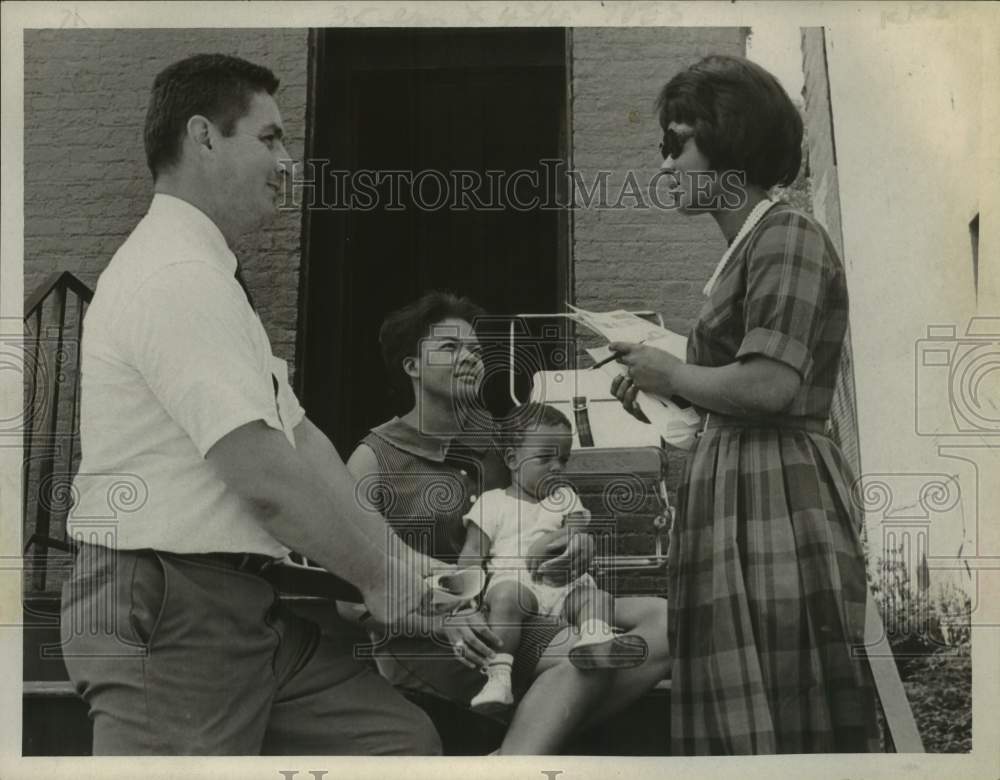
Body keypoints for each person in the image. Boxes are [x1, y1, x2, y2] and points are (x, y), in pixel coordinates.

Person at [60, 54, 440, 755]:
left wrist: (400, 564)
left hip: (243, 609)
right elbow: (263, 476)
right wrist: (377, 577)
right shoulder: (175, 276)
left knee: (396, 745)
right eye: (268, 139)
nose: (288, 162)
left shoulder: (207, 275)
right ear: (203, 137)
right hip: (171, 606)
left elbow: (300, 442)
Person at [609, 55, 880, 754]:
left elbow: (768, 387)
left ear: (728, 145)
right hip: (739, 489)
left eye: (676, 145)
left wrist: (672, 372)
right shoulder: (748, 247)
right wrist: (661, 390)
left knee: (782, 698)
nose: (664, 166)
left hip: (775, 497)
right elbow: (732, 390)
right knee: (743, 699)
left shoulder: (785, 236)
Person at [346, 291, 671, 754]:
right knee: (585, 662)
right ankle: (522, 753)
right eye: (450, 348)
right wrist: (439, 624)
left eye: (476, 350)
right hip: (434, 638)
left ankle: (516, 748)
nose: (469, 359)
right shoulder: (373, 458)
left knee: (667, 624)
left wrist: (578, 544)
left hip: (518, 613)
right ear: (411, 367)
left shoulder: (498, 447)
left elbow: (545, 520)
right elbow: (350, 600)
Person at [458, 402, 649, 715]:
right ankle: (498, 677)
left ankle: (595, 638)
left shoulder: (565, 499)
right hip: (518, 584)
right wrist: (464, 599)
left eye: (563, 459)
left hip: (565, 585)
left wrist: (553, 539)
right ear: (512, 459)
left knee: (595, 596)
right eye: (545, 458)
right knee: (504, 598)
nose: (557, 467)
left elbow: (578, 530)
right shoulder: (492, 503)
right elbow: (471, 555)